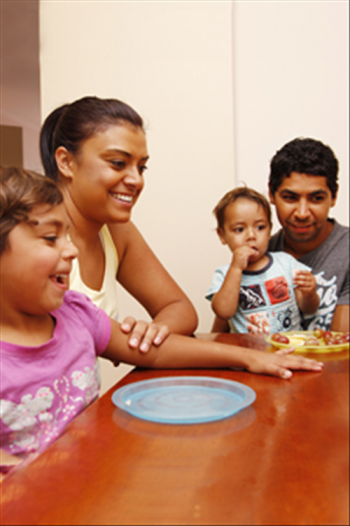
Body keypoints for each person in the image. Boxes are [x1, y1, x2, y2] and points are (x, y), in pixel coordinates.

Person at [0, 167, 324, 474]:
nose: (71, 251)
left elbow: (154, 351)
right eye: (50, 238)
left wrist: (248, 357)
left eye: (67, 236)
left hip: (92, 477)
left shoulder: (76, 313)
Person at [39, 96, 198, 354]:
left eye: (142, 167)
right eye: (118, 164)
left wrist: (149, 333)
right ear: (66, 162)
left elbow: (179, 307)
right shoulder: (35, 239)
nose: (136, 180)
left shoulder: (115, 231)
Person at [206, 187, 319, 334]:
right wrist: (236, 269)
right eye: (239, 229)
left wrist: (310, 294)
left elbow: (308, 309)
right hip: (249, 352)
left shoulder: (286, 263)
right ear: (222, 235)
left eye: (260, 227)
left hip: (291, 346)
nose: (251, 235)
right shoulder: (224, 274)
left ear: (269, 230)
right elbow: (224, 312)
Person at [268, 138, 349, 332]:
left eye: (316, 199)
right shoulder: (260, 253)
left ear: (334, 196)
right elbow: (224, 336)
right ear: (271, 193)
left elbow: (343, 348)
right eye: (290, 198)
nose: (302, 213)